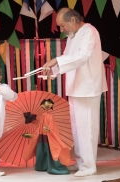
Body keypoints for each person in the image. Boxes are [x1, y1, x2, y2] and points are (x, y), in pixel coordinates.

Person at [42, 8, 108, 177]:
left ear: (72, 21)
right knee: (78, 129)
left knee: (87, 129)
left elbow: (82, 56)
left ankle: (89, 166)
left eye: (62, 25)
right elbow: (67, 56)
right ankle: (81, 163)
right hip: (76, 88)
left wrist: (56, 60)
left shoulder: (89, 32)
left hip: (88, 88)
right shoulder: (72, 36)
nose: (61, 30)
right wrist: (54, 71)